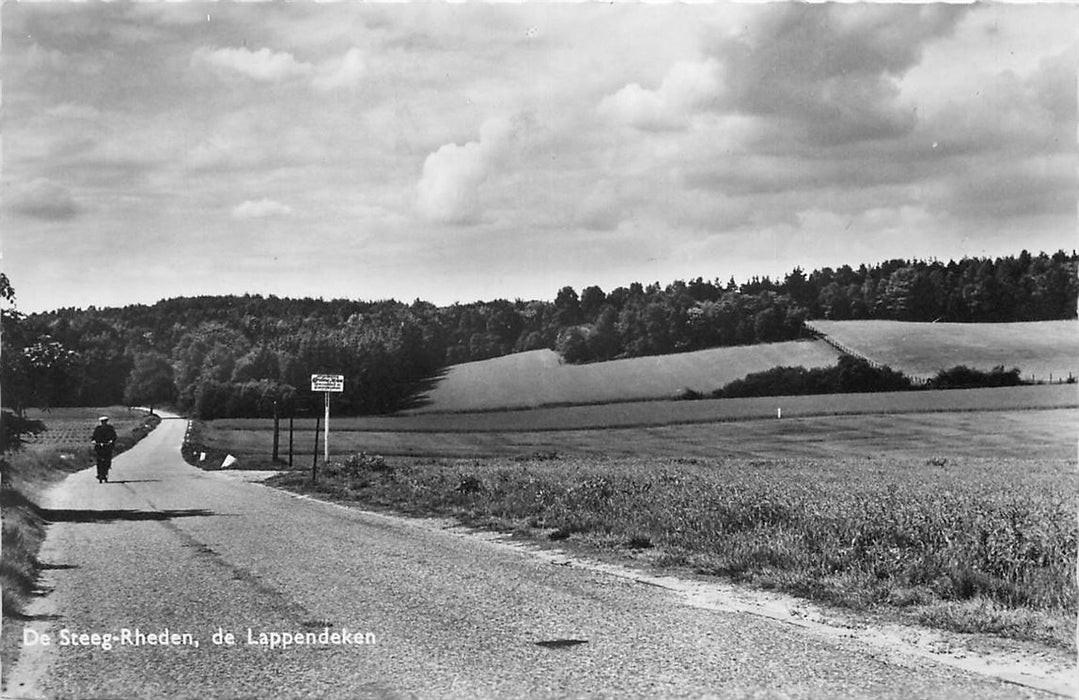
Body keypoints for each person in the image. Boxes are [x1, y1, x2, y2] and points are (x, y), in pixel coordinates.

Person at [91, 416, 117, 483]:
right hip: (99, 446)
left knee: (107, 460)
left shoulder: (110, 428)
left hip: (107, 446)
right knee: (99, 461)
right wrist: (94, 441)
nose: (103, 423)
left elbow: (114, 436)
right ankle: (99, 474)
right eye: (102, 422)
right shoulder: (98, 429)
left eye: (105, 422)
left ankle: (106, 471)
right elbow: (93, 437)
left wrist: (111, 441)